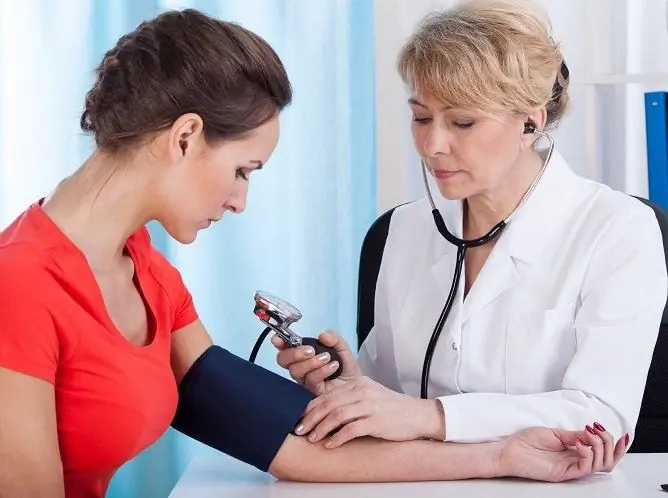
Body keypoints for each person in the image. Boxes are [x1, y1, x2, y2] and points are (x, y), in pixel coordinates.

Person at [0, 8, 626, 498]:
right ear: (186, 136)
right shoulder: (19, 285)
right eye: (244, 170)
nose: (242, 201)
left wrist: (499, 456)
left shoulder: (145, 271)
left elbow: (286, 446)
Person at [274, 0, 667, 451]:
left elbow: (602, 416)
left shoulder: (617, 230)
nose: (432, 145)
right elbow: (392, 395)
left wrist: (433, 416)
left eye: (462, 121)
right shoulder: (400, 230)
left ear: (530, 121)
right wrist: (347, 387)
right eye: (421, 117)